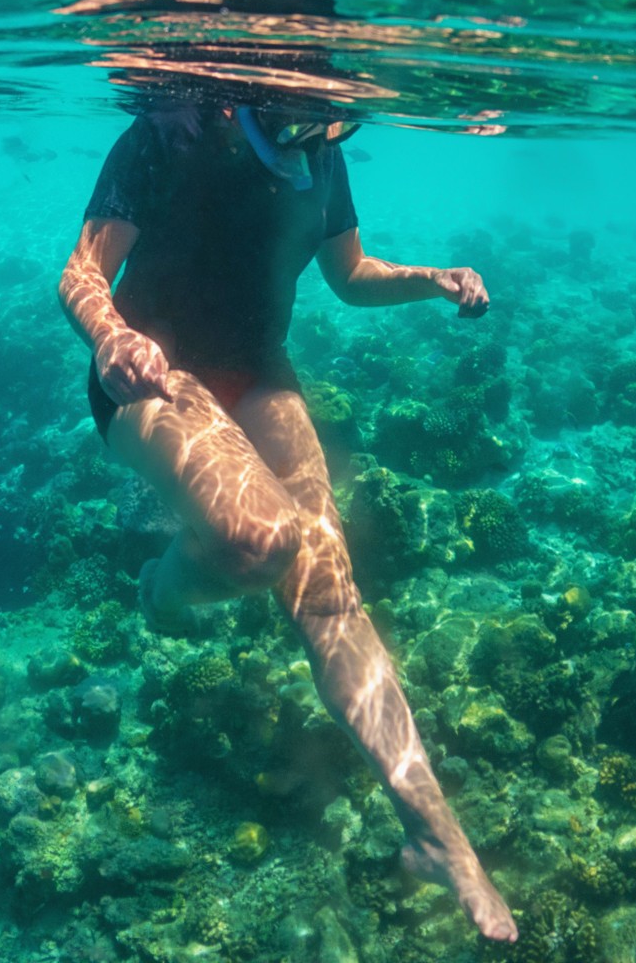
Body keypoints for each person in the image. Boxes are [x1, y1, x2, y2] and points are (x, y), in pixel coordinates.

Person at [58, 98, 517, 943]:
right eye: (321, 102)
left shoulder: (323, 154)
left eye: (346, 109)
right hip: (149, 374)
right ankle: (159, 588)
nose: (335, 120)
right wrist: (111, 337)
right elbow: (82, 271)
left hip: (257, 367)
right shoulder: (175, 130)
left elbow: (348, 276)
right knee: (259, 540)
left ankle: (436, 836)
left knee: (330, 587)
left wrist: (433, 282)